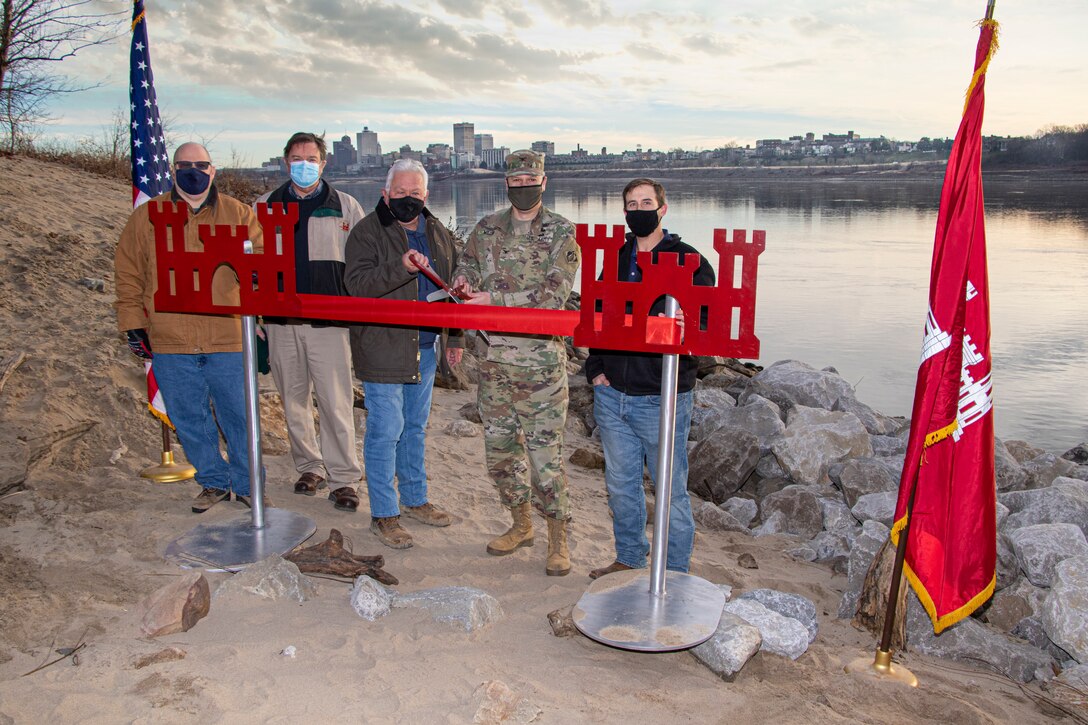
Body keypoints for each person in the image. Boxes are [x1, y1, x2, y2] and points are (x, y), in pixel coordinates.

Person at [115, 142, 263, 513]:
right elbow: (129, 272)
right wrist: (133, 324)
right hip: (170, 337)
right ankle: (213, 481)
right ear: (173, 169)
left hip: (227, 336)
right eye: (184, 165)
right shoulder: (148, 216)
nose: (193, 171)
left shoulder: (240, 214)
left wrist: (258, 319)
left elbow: (260, 271)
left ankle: (246, 486)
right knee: (189, 419)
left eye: (201, 165)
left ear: (213, 170)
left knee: (240, 417)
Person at [453, 150, 580, 576]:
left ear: (543, 183)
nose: (523, 187)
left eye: (531, 181)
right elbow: (467, 261)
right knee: (501, 453)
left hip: (540, 366)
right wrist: (463, 279)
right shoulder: (487, 227)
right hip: (493, 363)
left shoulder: (562, 232)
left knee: (547, 458)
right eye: (516, 181)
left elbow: (554, 297)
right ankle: (521, 524)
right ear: (506, 184)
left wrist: (496, 300)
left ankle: (557, 538)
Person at [584, 178, 715, 579]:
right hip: (612, 395)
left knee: (670, 491)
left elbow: (707, 325)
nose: (638, 209)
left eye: (646, 202)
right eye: (631, 203)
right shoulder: (618, 257)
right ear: (624, 212)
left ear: (662, 208)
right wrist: (596, 369)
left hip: (663, 396)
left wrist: (687, 322)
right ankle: (629, 557)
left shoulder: (689, 261)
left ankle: (675, 571)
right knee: (621, 487)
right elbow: (598, 314)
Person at [344, 158, 463, 549]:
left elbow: (450, 287)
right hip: (382, 346)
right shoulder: (367, 232)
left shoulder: (438, 231)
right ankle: (384, 513)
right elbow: (357, 286)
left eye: (415, 193)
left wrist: (456, 338)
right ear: (385, 193)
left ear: (426, 195)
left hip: (425, 346)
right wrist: (400, 268)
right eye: (400, 193)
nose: (408, 199)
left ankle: (414, 499)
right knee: (385, 430)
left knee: (414, 428)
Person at [255, 132, 365, 512]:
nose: (304, 164)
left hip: (330, 324)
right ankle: (309, 466)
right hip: (281, 323)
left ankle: (344, 477)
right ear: (286, 161)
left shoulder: (346, 207)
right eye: (297, 157)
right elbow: (250, 269)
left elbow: (360, 267)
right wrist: (254, 313)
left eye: (312, 158)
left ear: (323, 162)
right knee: (294, 401)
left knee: (336, 403)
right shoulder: (264, 207)